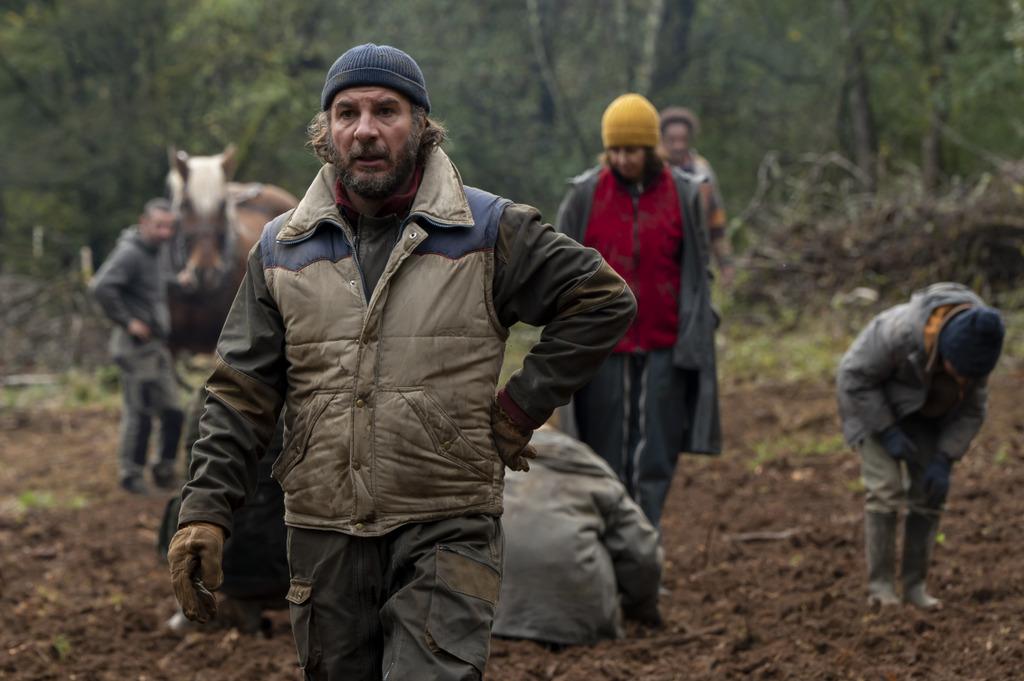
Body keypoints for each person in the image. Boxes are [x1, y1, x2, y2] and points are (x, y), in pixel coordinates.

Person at [167, 43, 635, 680]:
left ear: (420, 125)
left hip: (447, 524)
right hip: (323, 533)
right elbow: (240, 393)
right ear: (326, 132)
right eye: (346, 112)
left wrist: (521, 406)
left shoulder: (488, 229)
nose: (364, 130)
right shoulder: (282, 249)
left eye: (386, 110)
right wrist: (203, 512)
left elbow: (602, 299)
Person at [557, 93, 721, 529]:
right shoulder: (585, 195)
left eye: (631, 150)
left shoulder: (683, 195)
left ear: (651, 149)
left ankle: (644, 545)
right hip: (601, 346)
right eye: (615, 150)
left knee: (655, 454)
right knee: (602, 450)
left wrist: (697, 328)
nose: (622, 159)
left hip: (663, 342)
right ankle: (609, 548)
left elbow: (696, 268)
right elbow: (559, 268)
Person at [837, 282, 1004, 609]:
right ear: (945, 349)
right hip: (873, 407)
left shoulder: (978, 351)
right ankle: (881, 588)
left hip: (926, 416)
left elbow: (972, 411)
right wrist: (887, 432)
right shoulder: (898, 332)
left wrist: (944, 457)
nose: (964, 381)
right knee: (885, 490)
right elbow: (852, 377)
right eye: (960, 372)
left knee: (930, 494)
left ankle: (915, 587)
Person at [492, 426, 662, 646]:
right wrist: (640, 611)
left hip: (494, 619)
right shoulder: (595, 473)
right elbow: (643, 555)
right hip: (582, 626)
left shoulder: (494, 471)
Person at [89, 198, 185, 494]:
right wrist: (128, 321)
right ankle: (131, 476)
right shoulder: (130, 252)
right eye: (159, 226)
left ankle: (164, 468)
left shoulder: (156, 251)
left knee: (174, 410)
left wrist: (177, 280)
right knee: (139, 413)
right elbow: (101, 286)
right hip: (134, 348)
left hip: (156, 348)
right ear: (144, 223)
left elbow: (148, 285)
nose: (165, 233)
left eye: (169, 227)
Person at [659, 107, 735, 287]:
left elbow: (716, 222)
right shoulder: (654, 172)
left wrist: (726, 263)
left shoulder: (702, 171)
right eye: (672, 140)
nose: (678, 146)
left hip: (697, 259)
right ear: (662, 140)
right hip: (662, 260)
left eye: (683, 140)